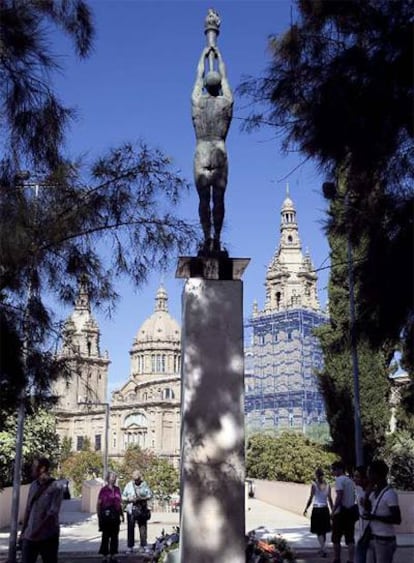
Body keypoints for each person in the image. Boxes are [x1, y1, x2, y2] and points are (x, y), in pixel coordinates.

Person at [192, 42, 233, 253]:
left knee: (203, 199)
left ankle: (206, 237)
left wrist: (204, 54)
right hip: (219, 149)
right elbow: (225, 79)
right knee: (218, 199)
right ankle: (216, 238)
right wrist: (218, 55)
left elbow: (198, 77)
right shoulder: (226, 102)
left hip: (201, 151)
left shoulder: (197, 102)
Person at [20, 457, 63, 563]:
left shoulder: (56, 486)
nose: (32, 469)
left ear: (42, 469)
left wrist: (36, 532)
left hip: (48, 536)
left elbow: (52, 514)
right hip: (30, 535)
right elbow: (28, 509)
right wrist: (23, 532)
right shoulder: (33, 485)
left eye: (34, 466)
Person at [362, 460, 401, 563]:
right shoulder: (374, 493)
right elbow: (367, 510)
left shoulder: (390, 494)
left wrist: (375, 517)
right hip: (372, 537)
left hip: (385, 540)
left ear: (376, 474)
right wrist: (367, 494)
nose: (368, 475)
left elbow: (397, 519)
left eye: (370, 472)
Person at [331, 460, 357, 563]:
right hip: (350, 511)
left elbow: (339, 495)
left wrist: (333, 510)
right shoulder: (350, 481)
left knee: (336, 538)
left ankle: (337, 559)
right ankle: (351, 560)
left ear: (339, 469)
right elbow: (353, 495)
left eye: (334, 469)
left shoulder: (339, 480)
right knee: (350, 538)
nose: (333, 472)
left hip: (341, 513)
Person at [303, 468, 333, 557]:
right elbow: (330, 499)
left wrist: (306, 508)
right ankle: (322, 548)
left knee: (318, 530)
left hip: (317, 509)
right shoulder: (328, 485)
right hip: (325, 509)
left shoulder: (314, 485)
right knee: (323, 530)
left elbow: (311, 497)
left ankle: (323, 549)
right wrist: (333, 509)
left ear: (316, 475)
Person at [122, 470, 152, 553]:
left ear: (140, 478)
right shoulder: (129, 485)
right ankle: (130, 546)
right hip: (131, 509)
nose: (136, 481)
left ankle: (144, 545)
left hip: (142, 509)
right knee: (130, 528)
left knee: (143, 528)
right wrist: (129, 499)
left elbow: (150, 494)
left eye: (137, 479)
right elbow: (123, 497)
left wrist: (142, 498)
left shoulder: (144, 484)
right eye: (135, 479)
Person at [97, 471, 124, 563]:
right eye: (112, 477)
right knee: (105, 536)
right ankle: (104, 556)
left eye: (115, 477)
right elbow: (99, 504)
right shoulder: (103, 490)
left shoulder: (117, 489)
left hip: (115, 515)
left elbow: (119, 503)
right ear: (108, 479)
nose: (114, 479)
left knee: (114, 536)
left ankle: (113, 555)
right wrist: (99, 516)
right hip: (106, 515)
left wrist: (122, 514)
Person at [353, 466, 371, 563]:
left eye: (357, 476)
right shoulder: (358, 488)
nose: (354, 478)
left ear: (365, 478)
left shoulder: (372, 492)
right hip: (362, 525)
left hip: (370, 527)